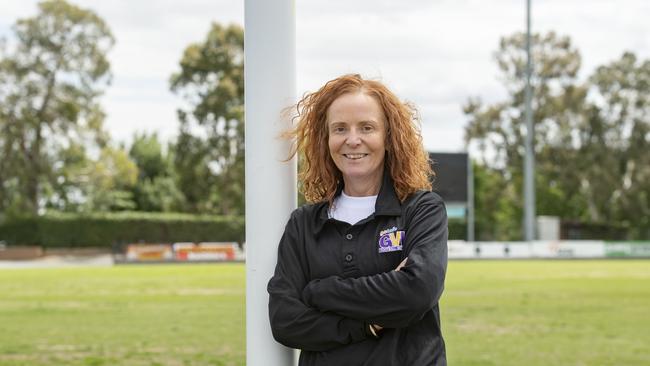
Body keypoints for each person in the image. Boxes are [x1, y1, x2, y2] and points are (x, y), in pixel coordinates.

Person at [267, 74, 448, 365]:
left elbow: (418, 292)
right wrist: (364, 325)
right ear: (326, 140)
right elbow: (285, 321)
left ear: (389, 138)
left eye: (367, 127)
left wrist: (319, 291)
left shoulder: (421, 210)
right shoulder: (304, 224)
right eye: (340, 129)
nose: (353, 140)